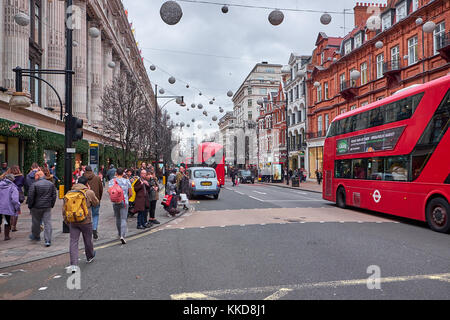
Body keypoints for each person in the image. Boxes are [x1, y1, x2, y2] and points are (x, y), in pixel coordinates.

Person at [63, 176, 99, 273]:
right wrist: (90, 192)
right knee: (88, 240)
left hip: (73, 221)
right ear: (86, 183)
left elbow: (64, 209)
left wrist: (66, 220)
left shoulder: (69, 193)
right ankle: (89, 256)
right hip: (86, 220)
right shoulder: (89, 192)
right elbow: (96, 203)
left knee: (73, 242)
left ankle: (74, 264)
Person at [27, 170, 57, 247]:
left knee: (36, 222)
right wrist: (51, 204)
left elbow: (30, 196)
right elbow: (54, 195)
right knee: (47, 223)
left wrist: (30, 206)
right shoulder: (50, 184)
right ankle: (47, 240)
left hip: (36, 207)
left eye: (35, 176)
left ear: (38, 176)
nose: (34, 177)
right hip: (47, 206)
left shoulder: (34, 184)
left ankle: (36, 236)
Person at [108, 168, 132, 244]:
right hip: (124, 201)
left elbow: (109, 191)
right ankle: (122, 236)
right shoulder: (126, 181)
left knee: (118, 218)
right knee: (123, 219)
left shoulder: (112, 181)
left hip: (115, 202)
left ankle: (119, 233)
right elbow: (130, 193)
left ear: (116, 173)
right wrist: (127, 198)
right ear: (123, 173)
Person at [83, 166, 103, 240]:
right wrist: (99, 198)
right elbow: (101, 189)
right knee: (95, 215)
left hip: (85, 199)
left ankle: (87, 231)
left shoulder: (83, 178)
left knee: (86, 216)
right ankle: (94, 228)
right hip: (95, 199)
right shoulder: (97, 178)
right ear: (91, 170)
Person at [0, 174, 20, 241]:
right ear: (12, 179)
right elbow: (15, 199)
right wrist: (17, 207)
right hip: (7, 207)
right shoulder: (13, 187)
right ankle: (6, 236)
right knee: (7, 221)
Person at [9, 166, 25, 232]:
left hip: (9, 193)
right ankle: (14, 226)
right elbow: (23, 184)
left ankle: (9, 225)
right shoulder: (21, 177)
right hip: (18, 193)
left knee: (10, 210)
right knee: (16, 210)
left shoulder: (9, 177)